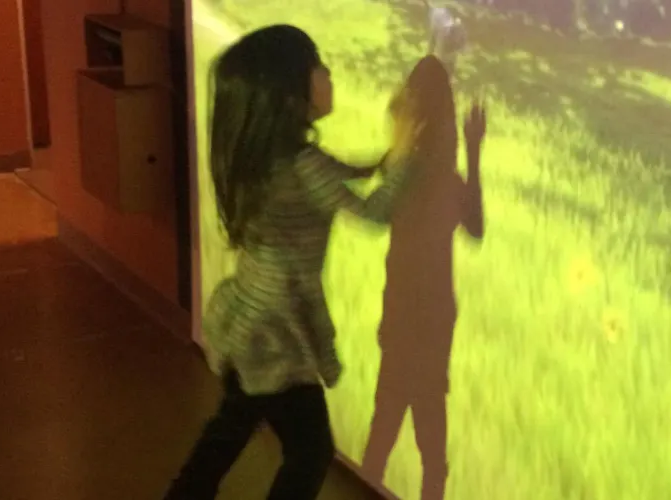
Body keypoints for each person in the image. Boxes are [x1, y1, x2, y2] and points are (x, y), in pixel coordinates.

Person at [164, 25, 421, 500]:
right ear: (289, 93)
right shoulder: (303, 165)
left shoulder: (267, 155)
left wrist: (380, 160)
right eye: (318, 66)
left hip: (249, 318)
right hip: (277, 333)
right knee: (310, 451)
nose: (328, 73)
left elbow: (335, 173)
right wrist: (405, 155)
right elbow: (373, 212)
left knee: (232, 426)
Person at [361, 55, 486, 500]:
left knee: (382, 435)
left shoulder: (401, 173)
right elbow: (476, 229)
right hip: (434, 320)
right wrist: (474, 152)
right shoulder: (447, 182)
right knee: (433, 451)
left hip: (401, 315)